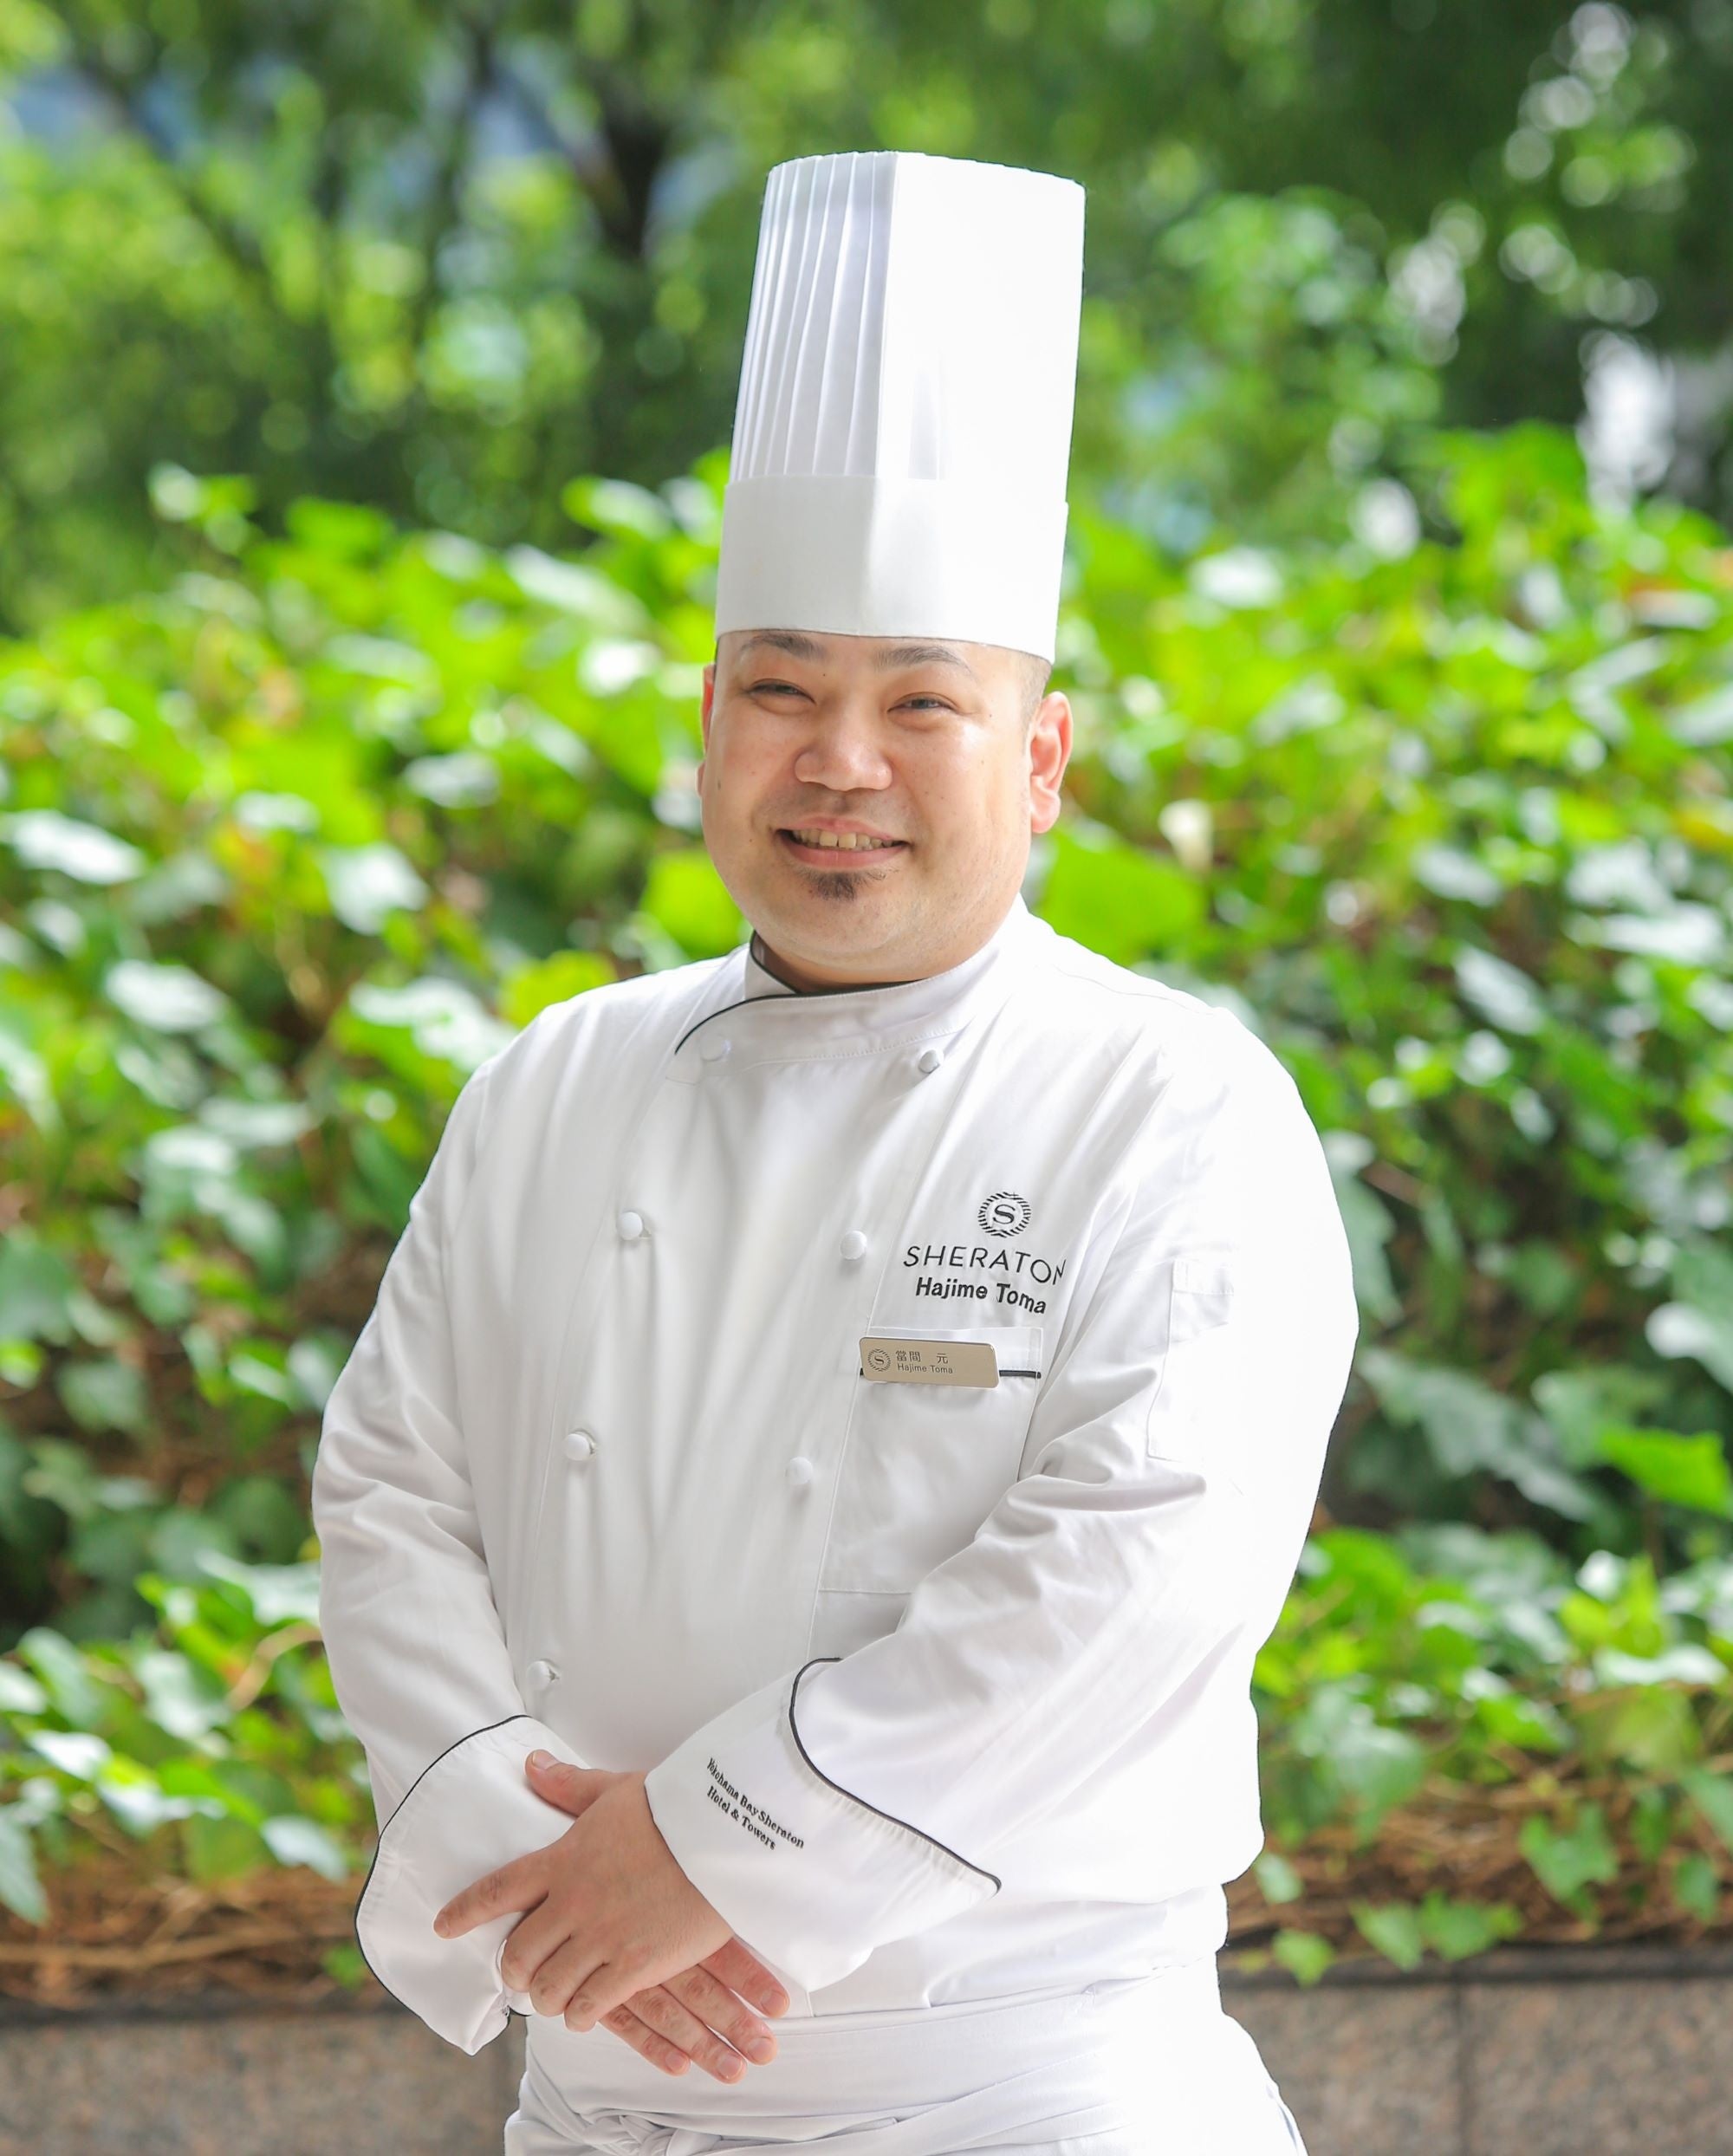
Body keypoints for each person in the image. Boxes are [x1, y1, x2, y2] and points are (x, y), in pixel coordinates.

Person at [311, 149, 1355, 2155]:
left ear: (1039, 760)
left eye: (919, 703)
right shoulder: (553, 1080)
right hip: (598, 2087)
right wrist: (526, 1847)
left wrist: (718, 1849)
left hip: (1025, 2097)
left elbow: (1132, 1567)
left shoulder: (1169, 1102)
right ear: (706, 721)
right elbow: (389, 1488)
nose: (839, 763)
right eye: (781, 690)